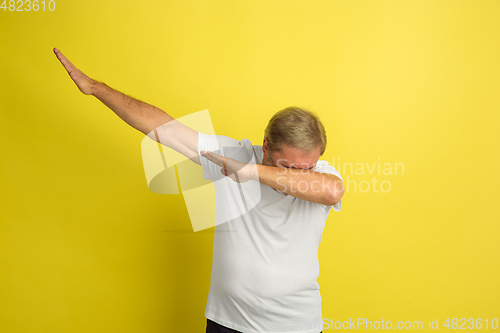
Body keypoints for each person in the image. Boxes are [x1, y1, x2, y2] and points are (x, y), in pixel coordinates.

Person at [53, 48, 345, 333]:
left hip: (294, 326)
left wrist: (249, 173)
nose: (300, 174)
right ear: (266, 147)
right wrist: (95, 88)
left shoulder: (320, 176)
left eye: (307, 167)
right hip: (226, 322)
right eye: (289, 166)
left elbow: (332, 192)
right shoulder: (232, 153)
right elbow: (163, 128)